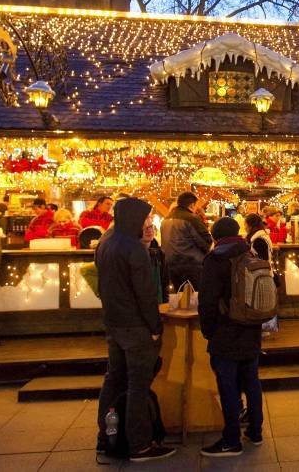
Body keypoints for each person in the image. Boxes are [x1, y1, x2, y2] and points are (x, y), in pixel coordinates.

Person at [95, 197, 175, 463]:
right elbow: (144, 293)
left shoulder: (106, 242)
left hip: (113, 322)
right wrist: (154, 327)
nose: (149, 222)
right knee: (138, 385)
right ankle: (139, 445)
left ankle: (106, 435)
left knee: (113, 378)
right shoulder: (134, 249)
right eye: (146, 218)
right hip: (135, 326)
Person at [199, 217, 264, 458]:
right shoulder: (251, 252)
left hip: (226, 330)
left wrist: (208, 330)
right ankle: (256, 432)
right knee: (252, 381)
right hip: (252, 329)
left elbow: (207, 300)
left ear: (215, 237)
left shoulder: (215, 259)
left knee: (227, 385)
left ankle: (231, 440)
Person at [161, 192, 211, 290]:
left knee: (179, 296)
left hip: (171, 265)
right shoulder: (191, 218)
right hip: (191, 265)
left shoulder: (165, 220)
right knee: (194, 297)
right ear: (192, 205)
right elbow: (205, 240)